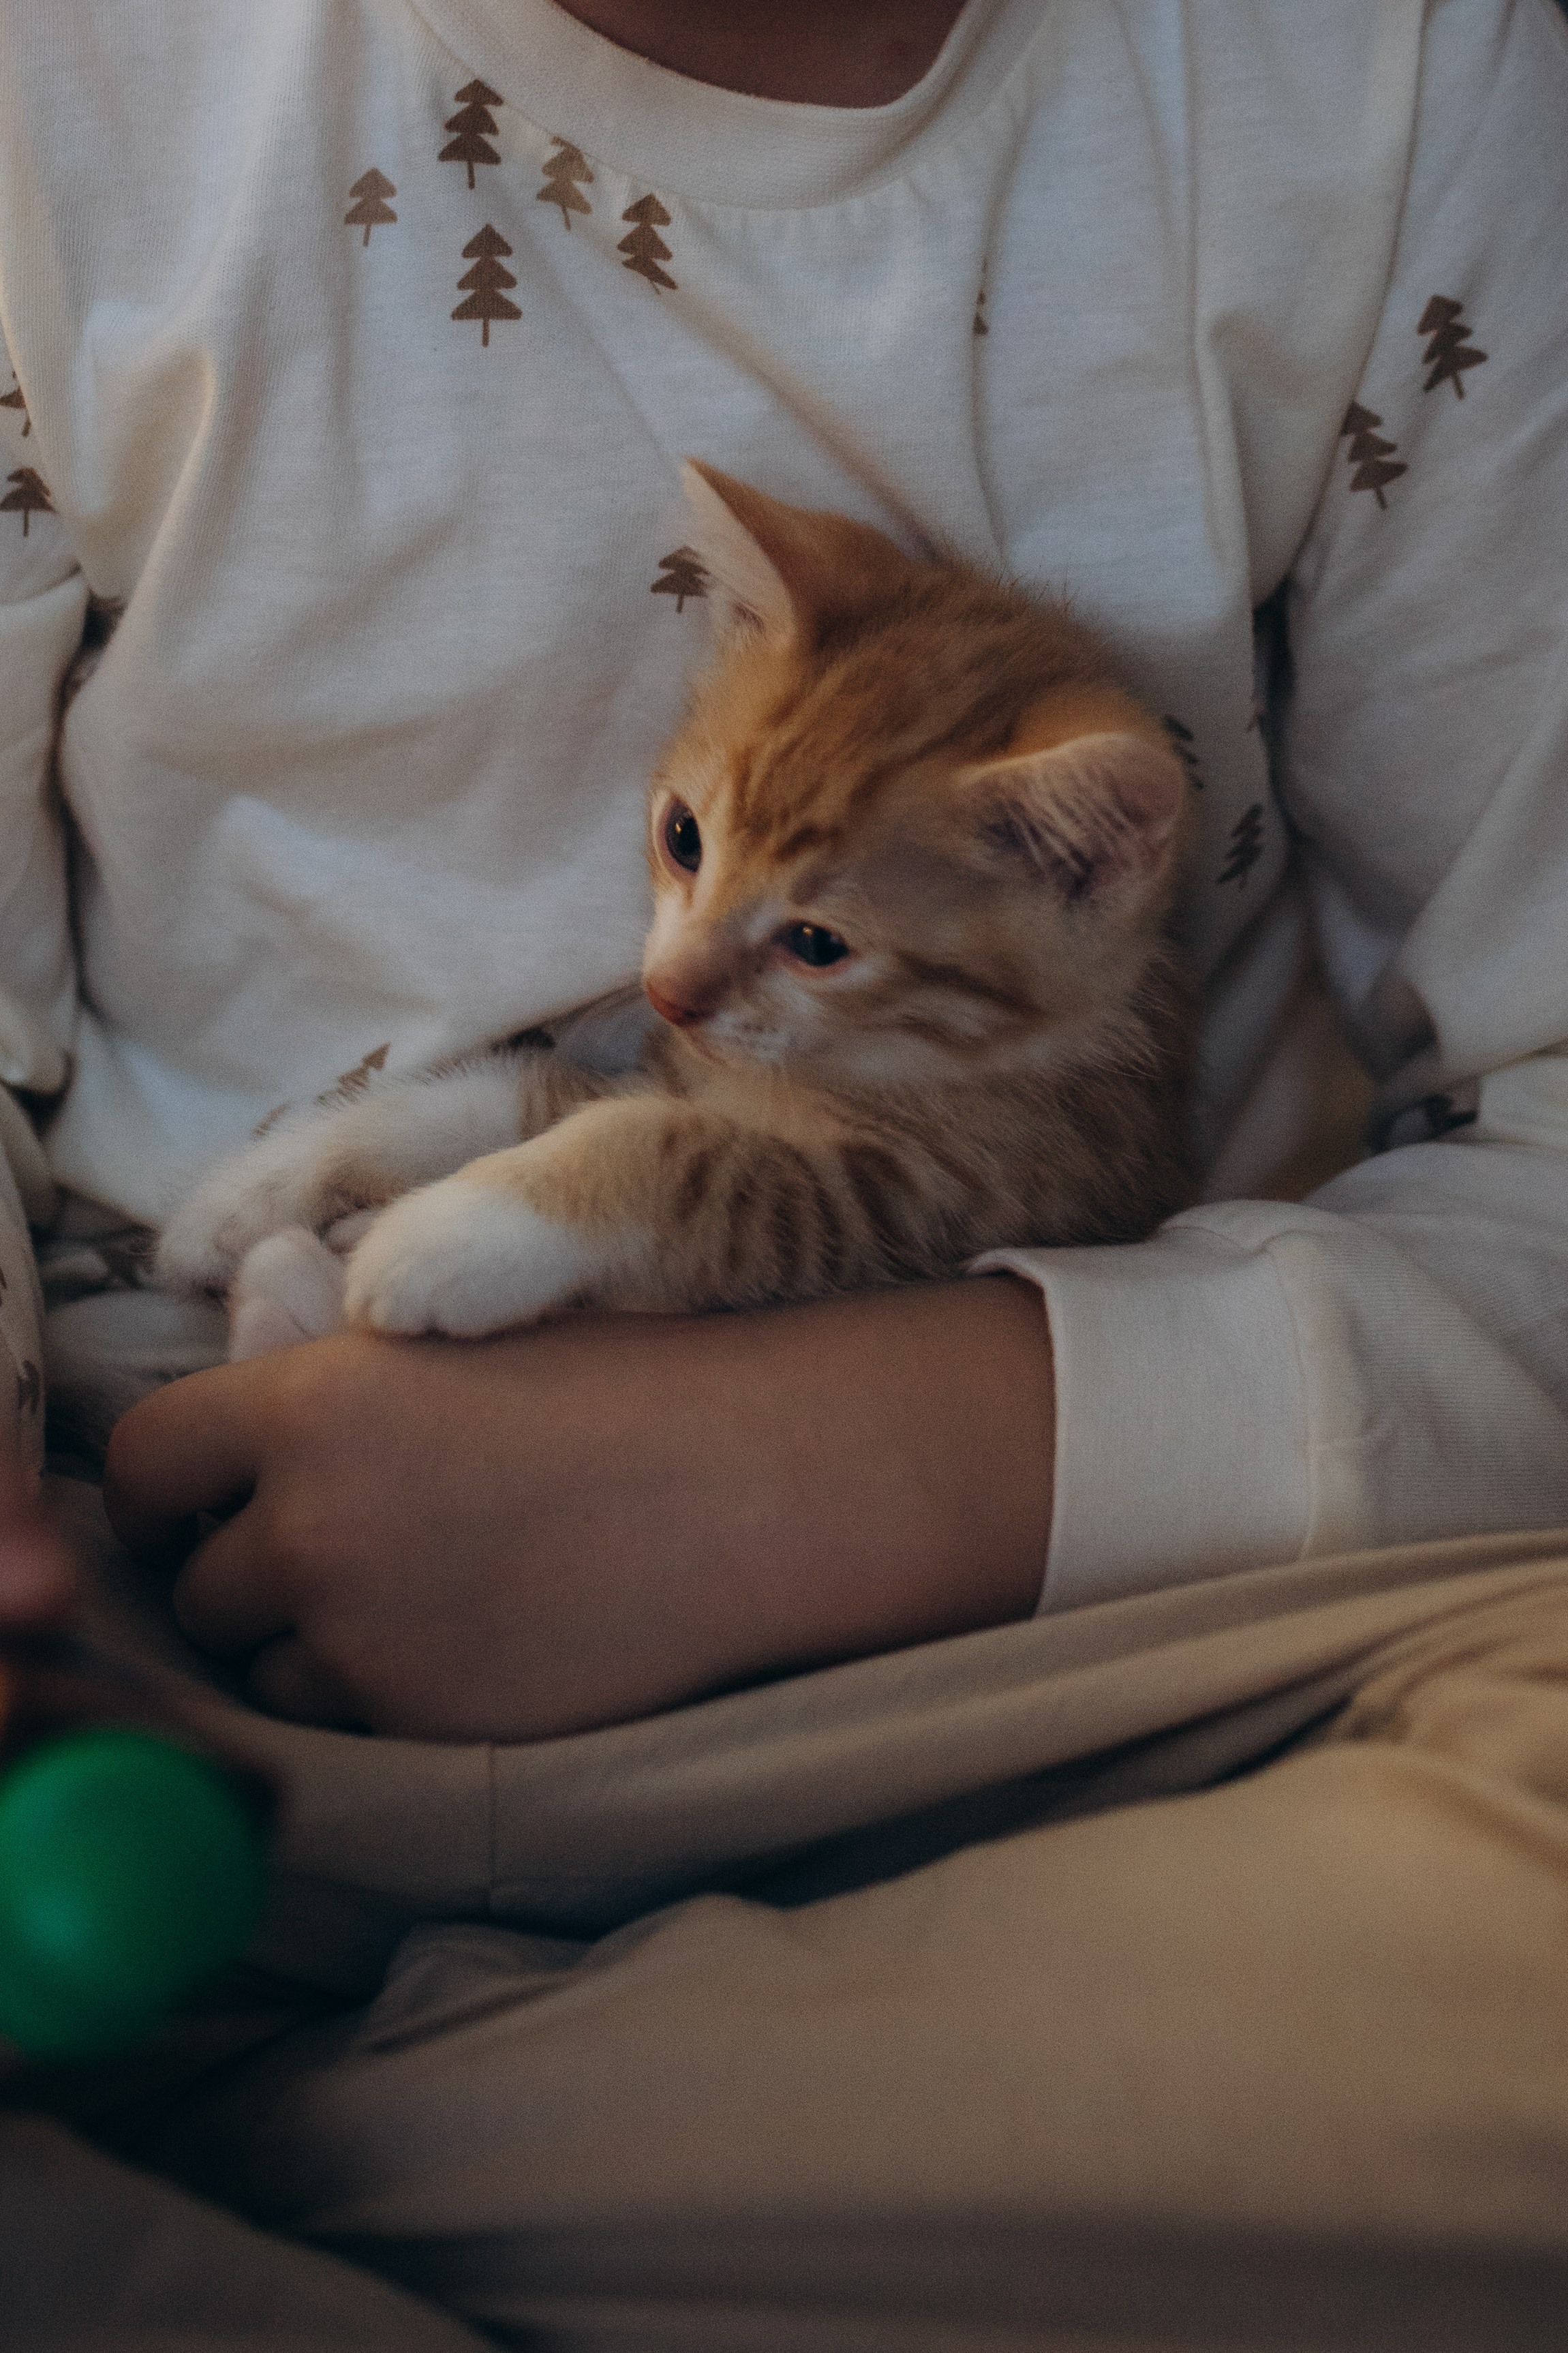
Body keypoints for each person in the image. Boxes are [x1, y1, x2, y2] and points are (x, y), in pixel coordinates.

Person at [3, 1, 1568, 2342]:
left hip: (1090, 1673)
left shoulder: (1396, 60)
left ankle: (269, 2191)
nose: (675, 973)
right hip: (179, 1644)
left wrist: (857, 1469)